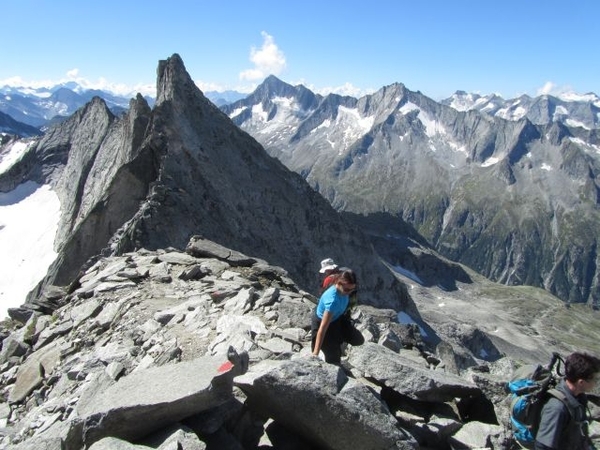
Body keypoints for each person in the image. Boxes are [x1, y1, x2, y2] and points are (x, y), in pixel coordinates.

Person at [534, 352, 600, 450]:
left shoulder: (578, 397)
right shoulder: (556, 408)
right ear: (581, 382)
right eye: (596, 379)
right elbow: (542, 446)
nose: (597, 383)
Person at [311, 269, 364, 364]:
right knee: (334, 359)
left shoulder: (344, 290)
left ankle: (337, 338)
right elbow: (322, 328)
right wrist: (315, 353)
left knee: (358, 340)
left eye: (353, 289)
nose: (349, 292)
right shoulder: (332, 301)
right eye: (347, 289)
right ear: (339, 283)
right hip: (322, 322)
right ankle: (331, 344)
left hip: (337, 318)